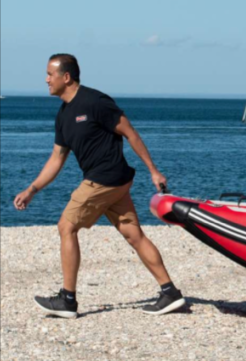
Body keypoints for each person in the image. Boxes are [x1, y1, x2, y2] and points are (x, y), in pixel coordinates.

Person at [13, 54, 186, 319]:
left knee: (66, 226)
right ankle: (170, 292)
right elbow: (57, 159)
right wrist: (32, 189)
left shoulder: (95, 101)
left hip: (105, 178)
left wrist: (153, 171)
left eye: (50, 74)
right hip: (112, 182)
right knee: (133, 235)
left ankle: (68, 300)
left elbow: (130, 133)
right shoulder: (63, 115)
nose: (46, 79)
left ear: (66, 77)